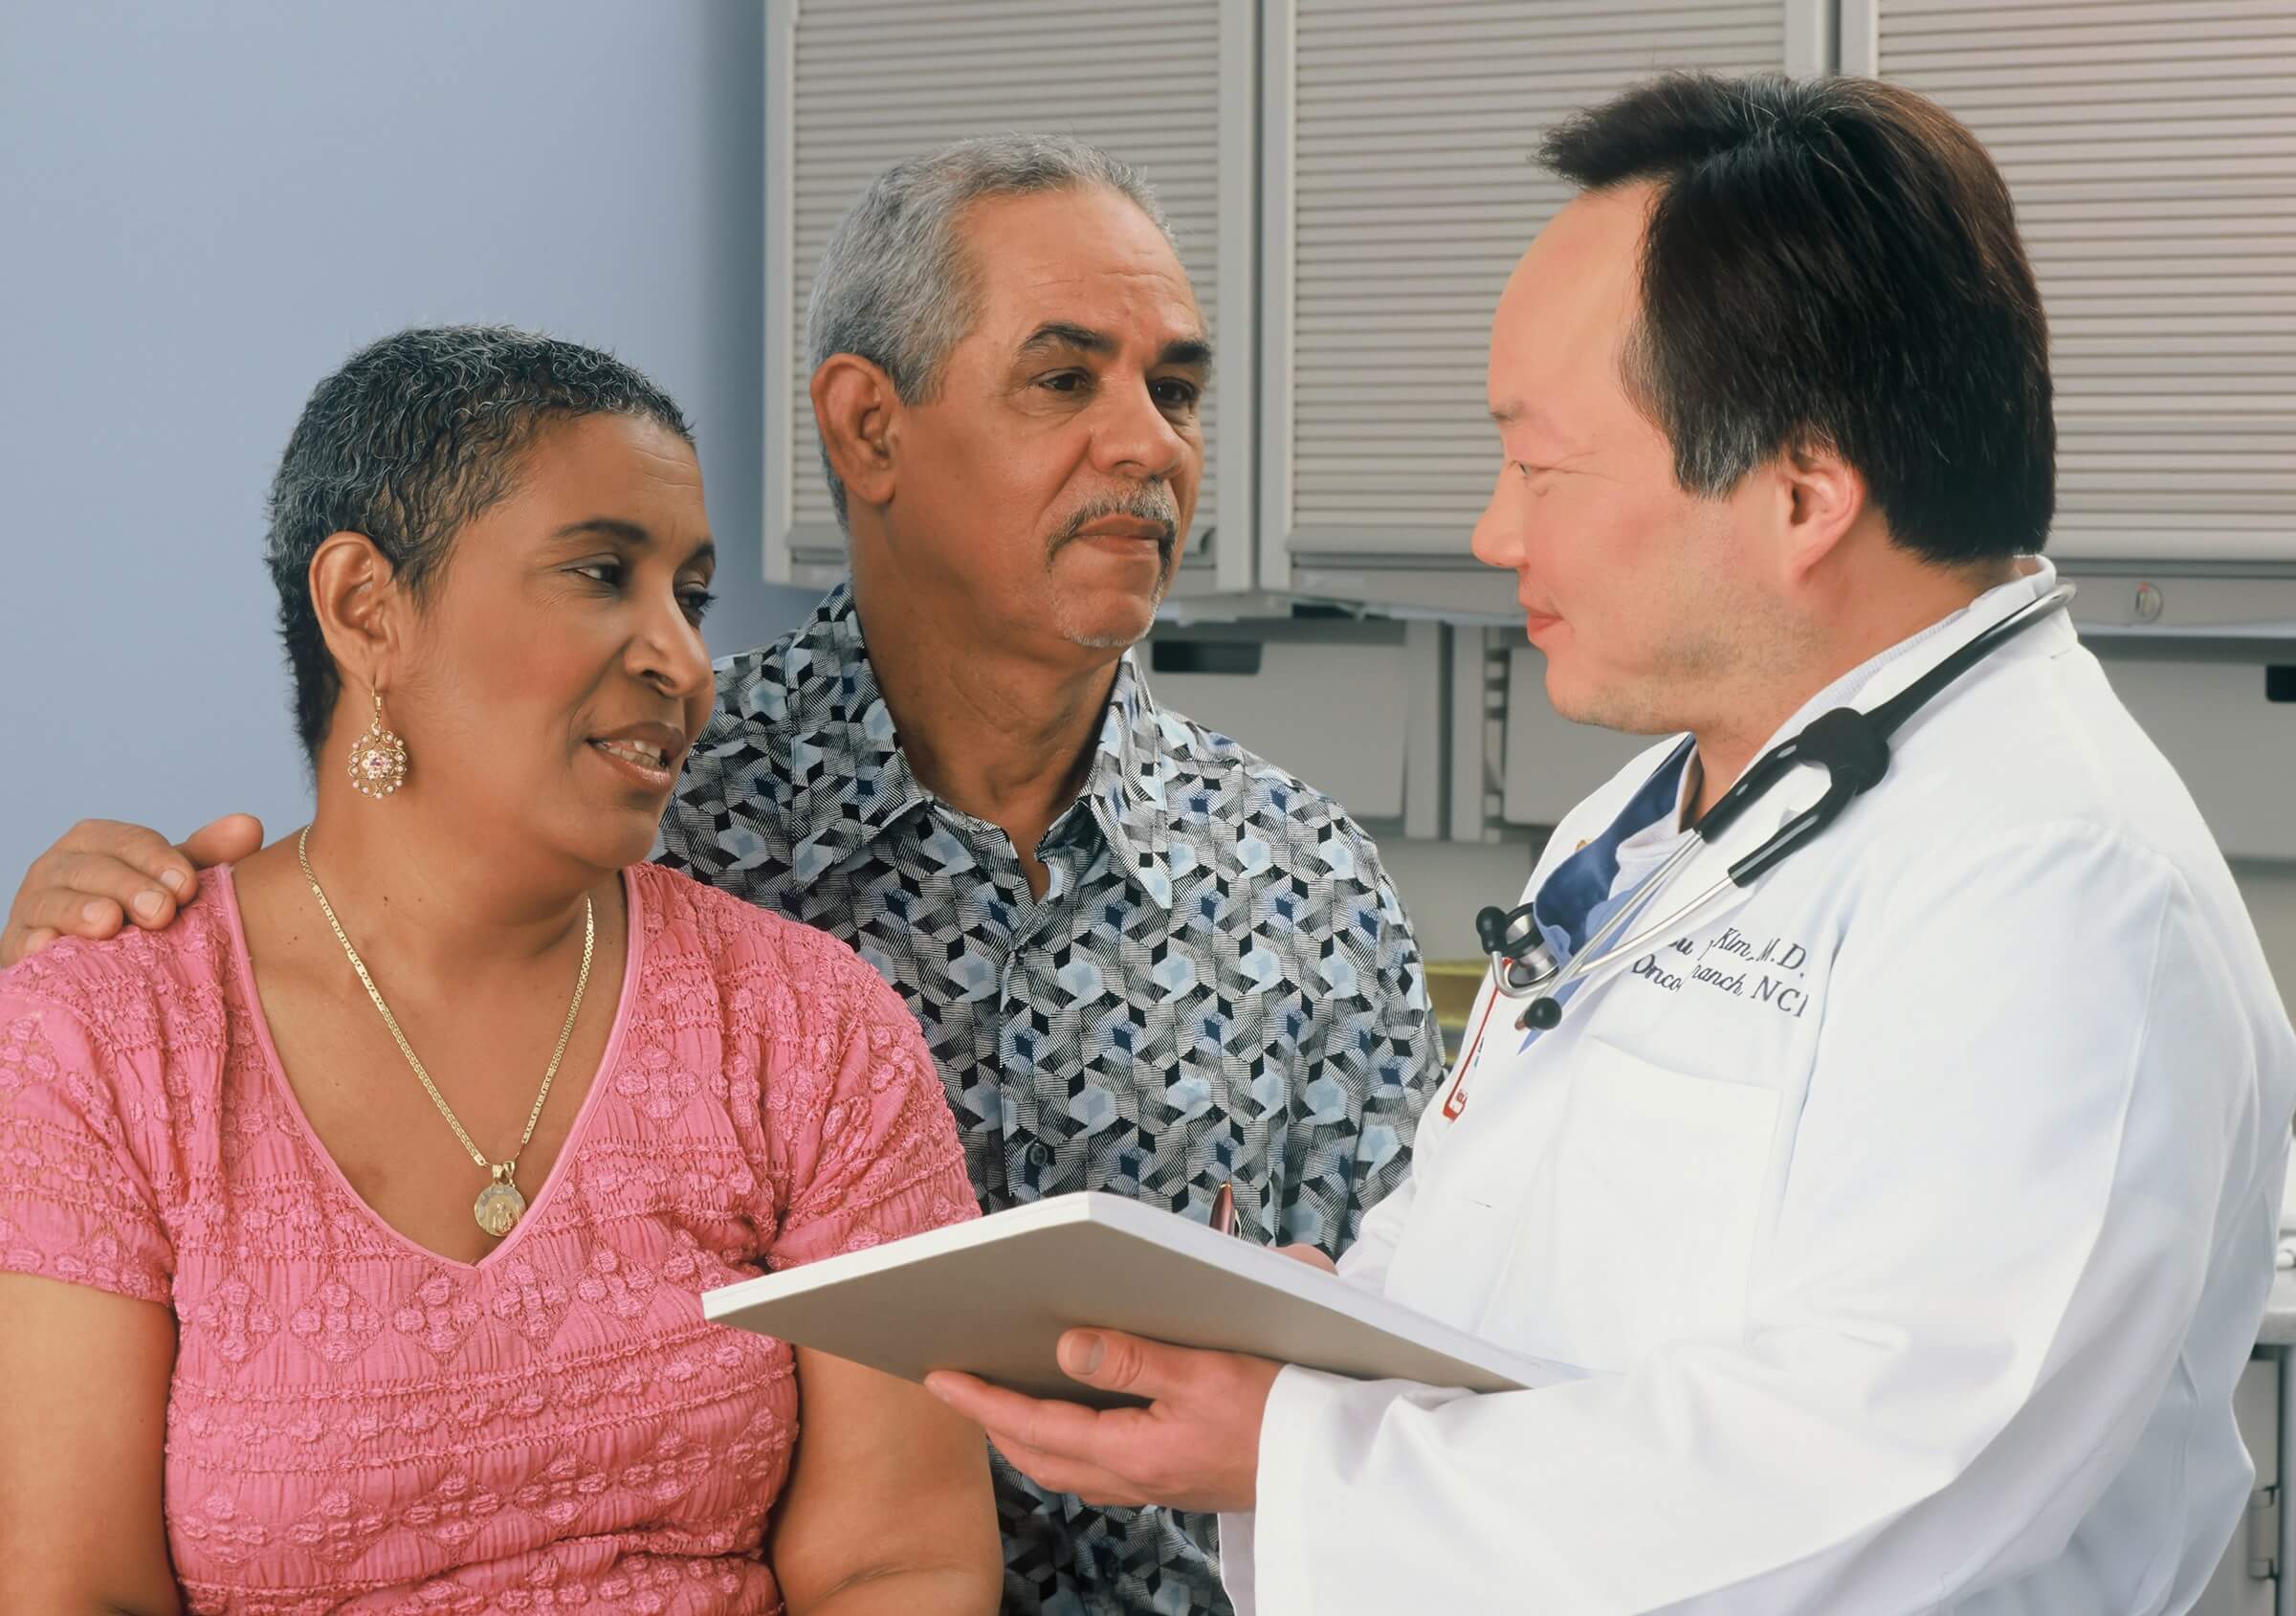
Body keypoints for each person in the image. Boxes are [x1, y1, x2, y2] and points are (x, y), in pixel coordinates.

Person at [0, 136, 1443, 1616]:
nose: (1150, 443)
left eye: (1179, 391)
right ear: (867, 430)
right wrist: (82, 973)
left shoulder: (1304, 884)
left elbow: (1432, 1374)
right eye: (1065, 378)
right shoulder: (638, 797)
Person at [922, 73, 2296, 1614]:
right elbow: (1535, 1257)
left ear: (1802, 492)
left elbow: (1890, 1482)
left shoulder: (2060, 887)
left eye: (1544, 465)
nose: (1495, 531)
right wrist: (1321, 1333)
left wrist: (1301, 1450)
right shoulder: (1652, 816)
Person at [0, 328, 1000, 1615]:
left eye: (688, 598)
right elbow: (72, 1588)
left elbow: (901, 1561)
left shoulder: (809, 1029)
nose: (684, 662)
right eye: (600, 574)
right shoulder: (103, 1039)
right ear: (367, 608)